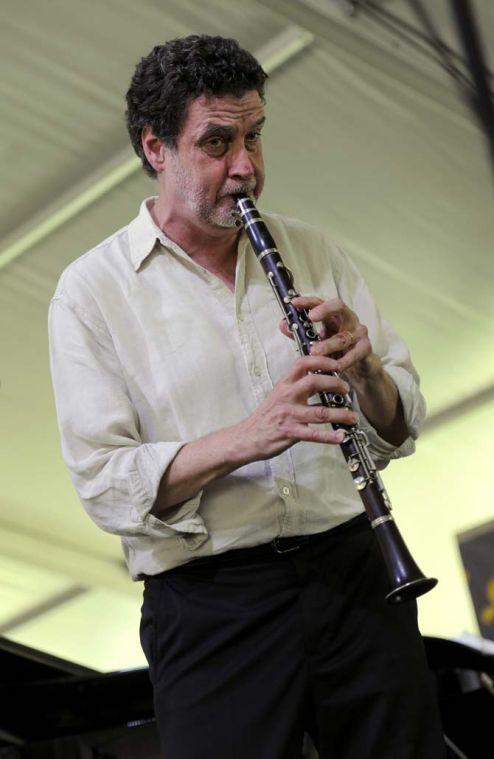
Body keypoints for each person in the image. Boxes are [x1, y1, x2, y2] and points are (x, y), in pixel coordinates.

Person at [49, 35, 446, 759]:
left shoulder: (313, 249)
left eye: (256, 136)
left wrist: (367, 375)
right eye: (218, 142)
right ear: (155, 147)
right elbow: (106, 485)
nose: (247, 166)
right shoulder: (91, 293)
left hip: (353, 572)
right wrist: (251, 435)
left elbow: (399, 423)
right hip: (211, 606)